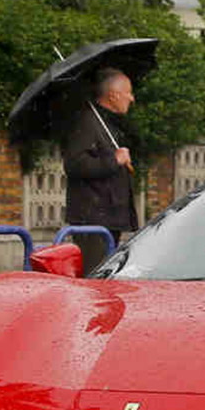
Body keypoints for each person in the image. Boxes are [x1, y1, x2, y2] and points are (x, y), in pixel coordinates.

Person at [63, 68, 139, 271]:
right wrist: (114, 160)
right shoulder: (87, 122)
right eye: (128, 92)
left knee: (108, 277)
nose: (132, 98)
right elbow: (74, 164)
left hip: (110, 217)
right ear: (113, 95)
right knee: (95, 278)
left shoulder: (107, 123)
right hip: (93, 219)